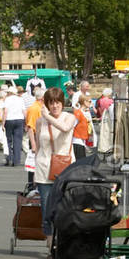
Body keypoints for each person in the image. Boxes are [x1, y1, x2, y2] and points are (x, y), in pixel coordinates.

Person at [33, 88, 76, 240]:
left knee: (66, 207)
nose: (55, 106)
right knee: (47, 209)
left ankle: (64, 241)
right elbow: (38, 146)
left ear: (62, 103)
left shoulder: (69, 117)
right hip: (44, 168)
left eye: (57, 102)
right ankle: (51, 244)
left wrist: (47, 116)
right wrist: (34, 170)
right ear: (46, 104)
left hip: (65, 168)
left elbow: (64, 128)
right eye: (51, 103)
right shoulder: (40, 121)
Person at [2, 85, 26, 167]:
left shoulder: (7, 99)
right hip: (19, 119)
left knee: (8, 140)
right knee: (18, 140)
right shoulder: (20, 99)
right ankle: (16, 160)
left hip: (9, 119)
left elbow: (5, 111)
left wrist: (3, 123)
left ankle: (9, 158)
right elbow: (24, 111)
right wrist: (25, 122)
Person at [72, 94, 93, 162]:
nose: (91, 103)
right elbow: (72, 126)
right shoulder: (78, 113)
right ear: (84, 102)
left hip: (81, 141)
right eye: (89, 101)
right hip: (77, 141)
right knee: (80, 163)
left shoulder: (84, 112)